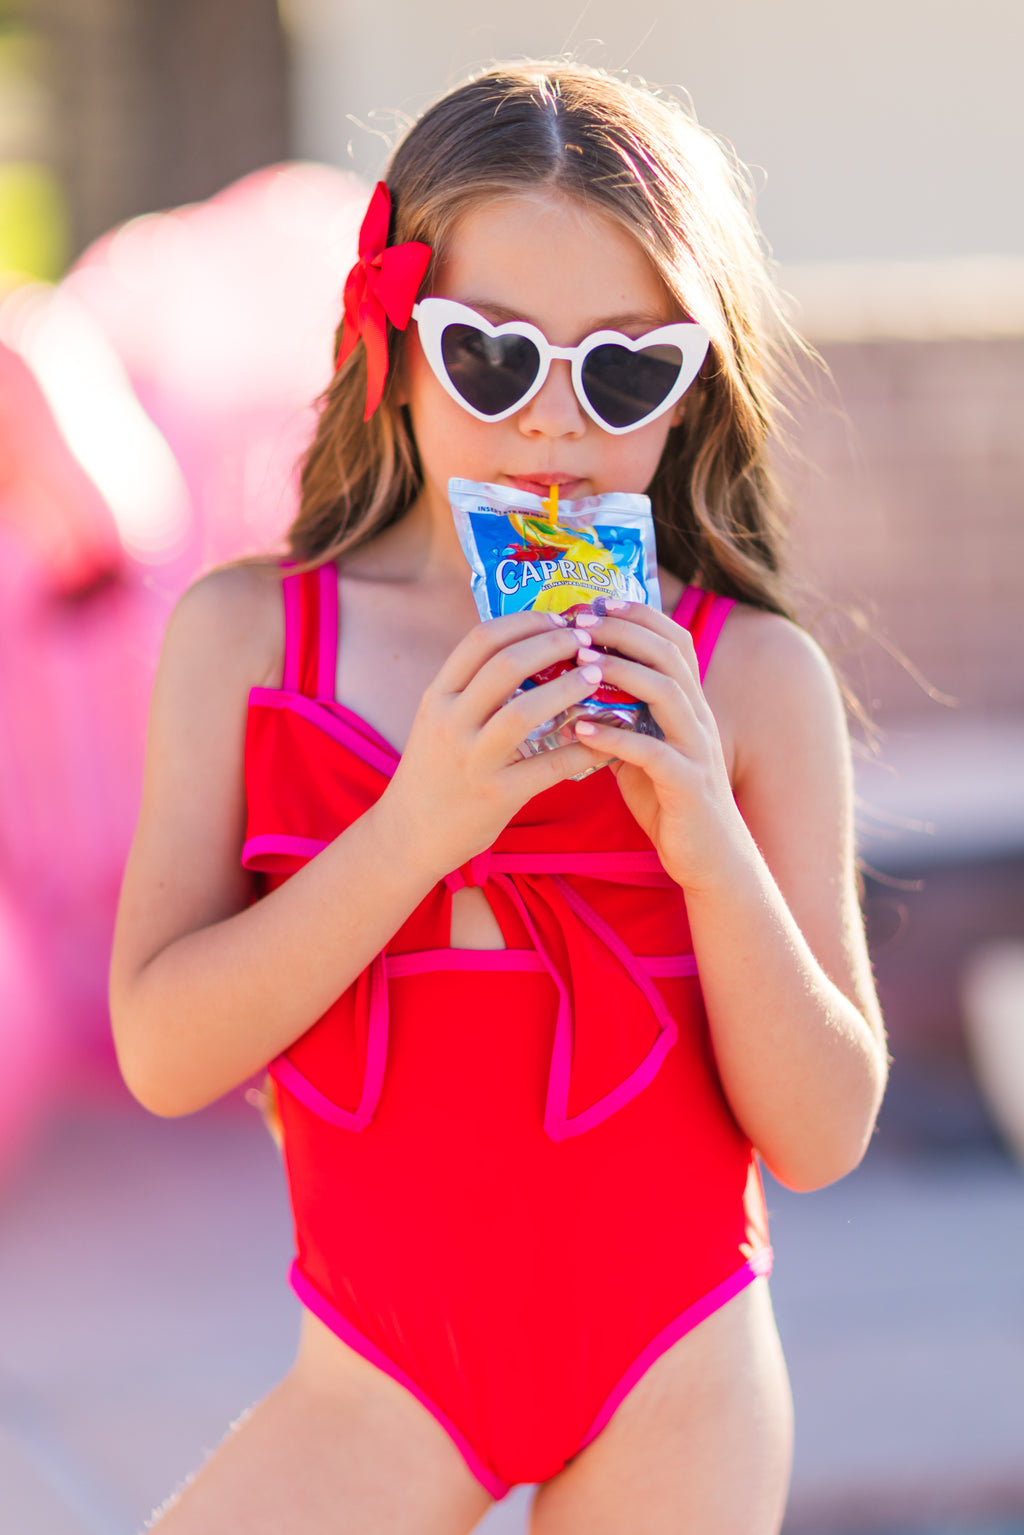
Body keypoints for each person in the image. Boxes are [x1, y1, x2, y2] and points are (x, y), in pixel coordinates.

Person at [109, 60, 888, 1535]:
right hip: (373, 1382)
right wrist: (418, 828)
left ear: (690, 394)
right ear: (393, 353)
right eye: (492, 358)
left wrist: (708, 844)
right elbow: (163, 1051)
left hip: (680, 1372)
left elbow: (823, 1133)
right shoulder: (250, 642)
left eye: (624, 373)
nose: (552, 428)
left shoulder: (751, 679)